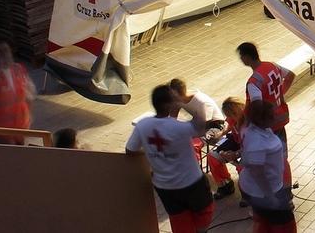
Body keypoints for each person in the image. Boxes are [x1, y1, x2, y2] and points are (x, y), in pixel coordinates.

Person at [126, 84, 215, 233]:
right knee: (205, 211)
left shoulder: (142, 125)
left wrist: (151, 152)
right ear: (168, 104)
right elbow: (201, 127)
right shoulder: (180, 128)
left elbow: (130, 149)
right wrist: (186, 105)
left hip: (165, 186)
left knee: (178, 218)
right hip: (191, 183)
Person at [226, 100, 297, 232]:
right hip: (265, 191)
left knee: (264, 223)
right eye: (272, 115)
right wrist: (270, 197)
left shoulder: (254, 129)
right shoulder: (258, 141)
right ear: (263, 119)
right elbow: (257, 172)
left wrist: (235, 154)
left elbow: (248, 152)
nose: (275, 116)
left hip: (262, 189)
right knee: (286, 225)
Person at [237, 42, 295, 187]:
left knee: (269, 161)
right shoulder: (272, 66)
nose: (241, 59)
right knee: (283, 157)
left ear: (247, 57)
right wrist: (280, 95)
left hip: (267, 126)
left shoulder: (254, 82)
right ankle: (287, 189)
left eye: (241, 56)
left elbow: (257, 107)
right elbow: (290, 76)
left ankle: (274, 189)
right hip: (280, 118)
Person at [0, 42, 35, 145]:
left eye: (6, 52)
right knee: (7, 152)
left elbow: (29, 93)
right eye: (0, 54)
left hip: (20, 123)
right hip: (0, 128)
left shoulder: (18, 69)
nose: (5, 57)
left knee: (20, 149)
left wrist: (29, 116)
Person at [207, 98, 245, 200]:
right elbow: (229, 128)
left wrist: (236, 154)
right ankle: (225, 186)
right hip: (236, 140)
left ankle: (248, 195)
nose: (230, 117)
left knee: (242, 167)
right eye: (228, 115)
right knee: (212, 156)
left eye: (233, 114)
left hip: (249, 145)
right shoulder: (232, 118)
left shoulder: (251, 122)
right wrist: (221, 134)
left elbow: (252, 145)